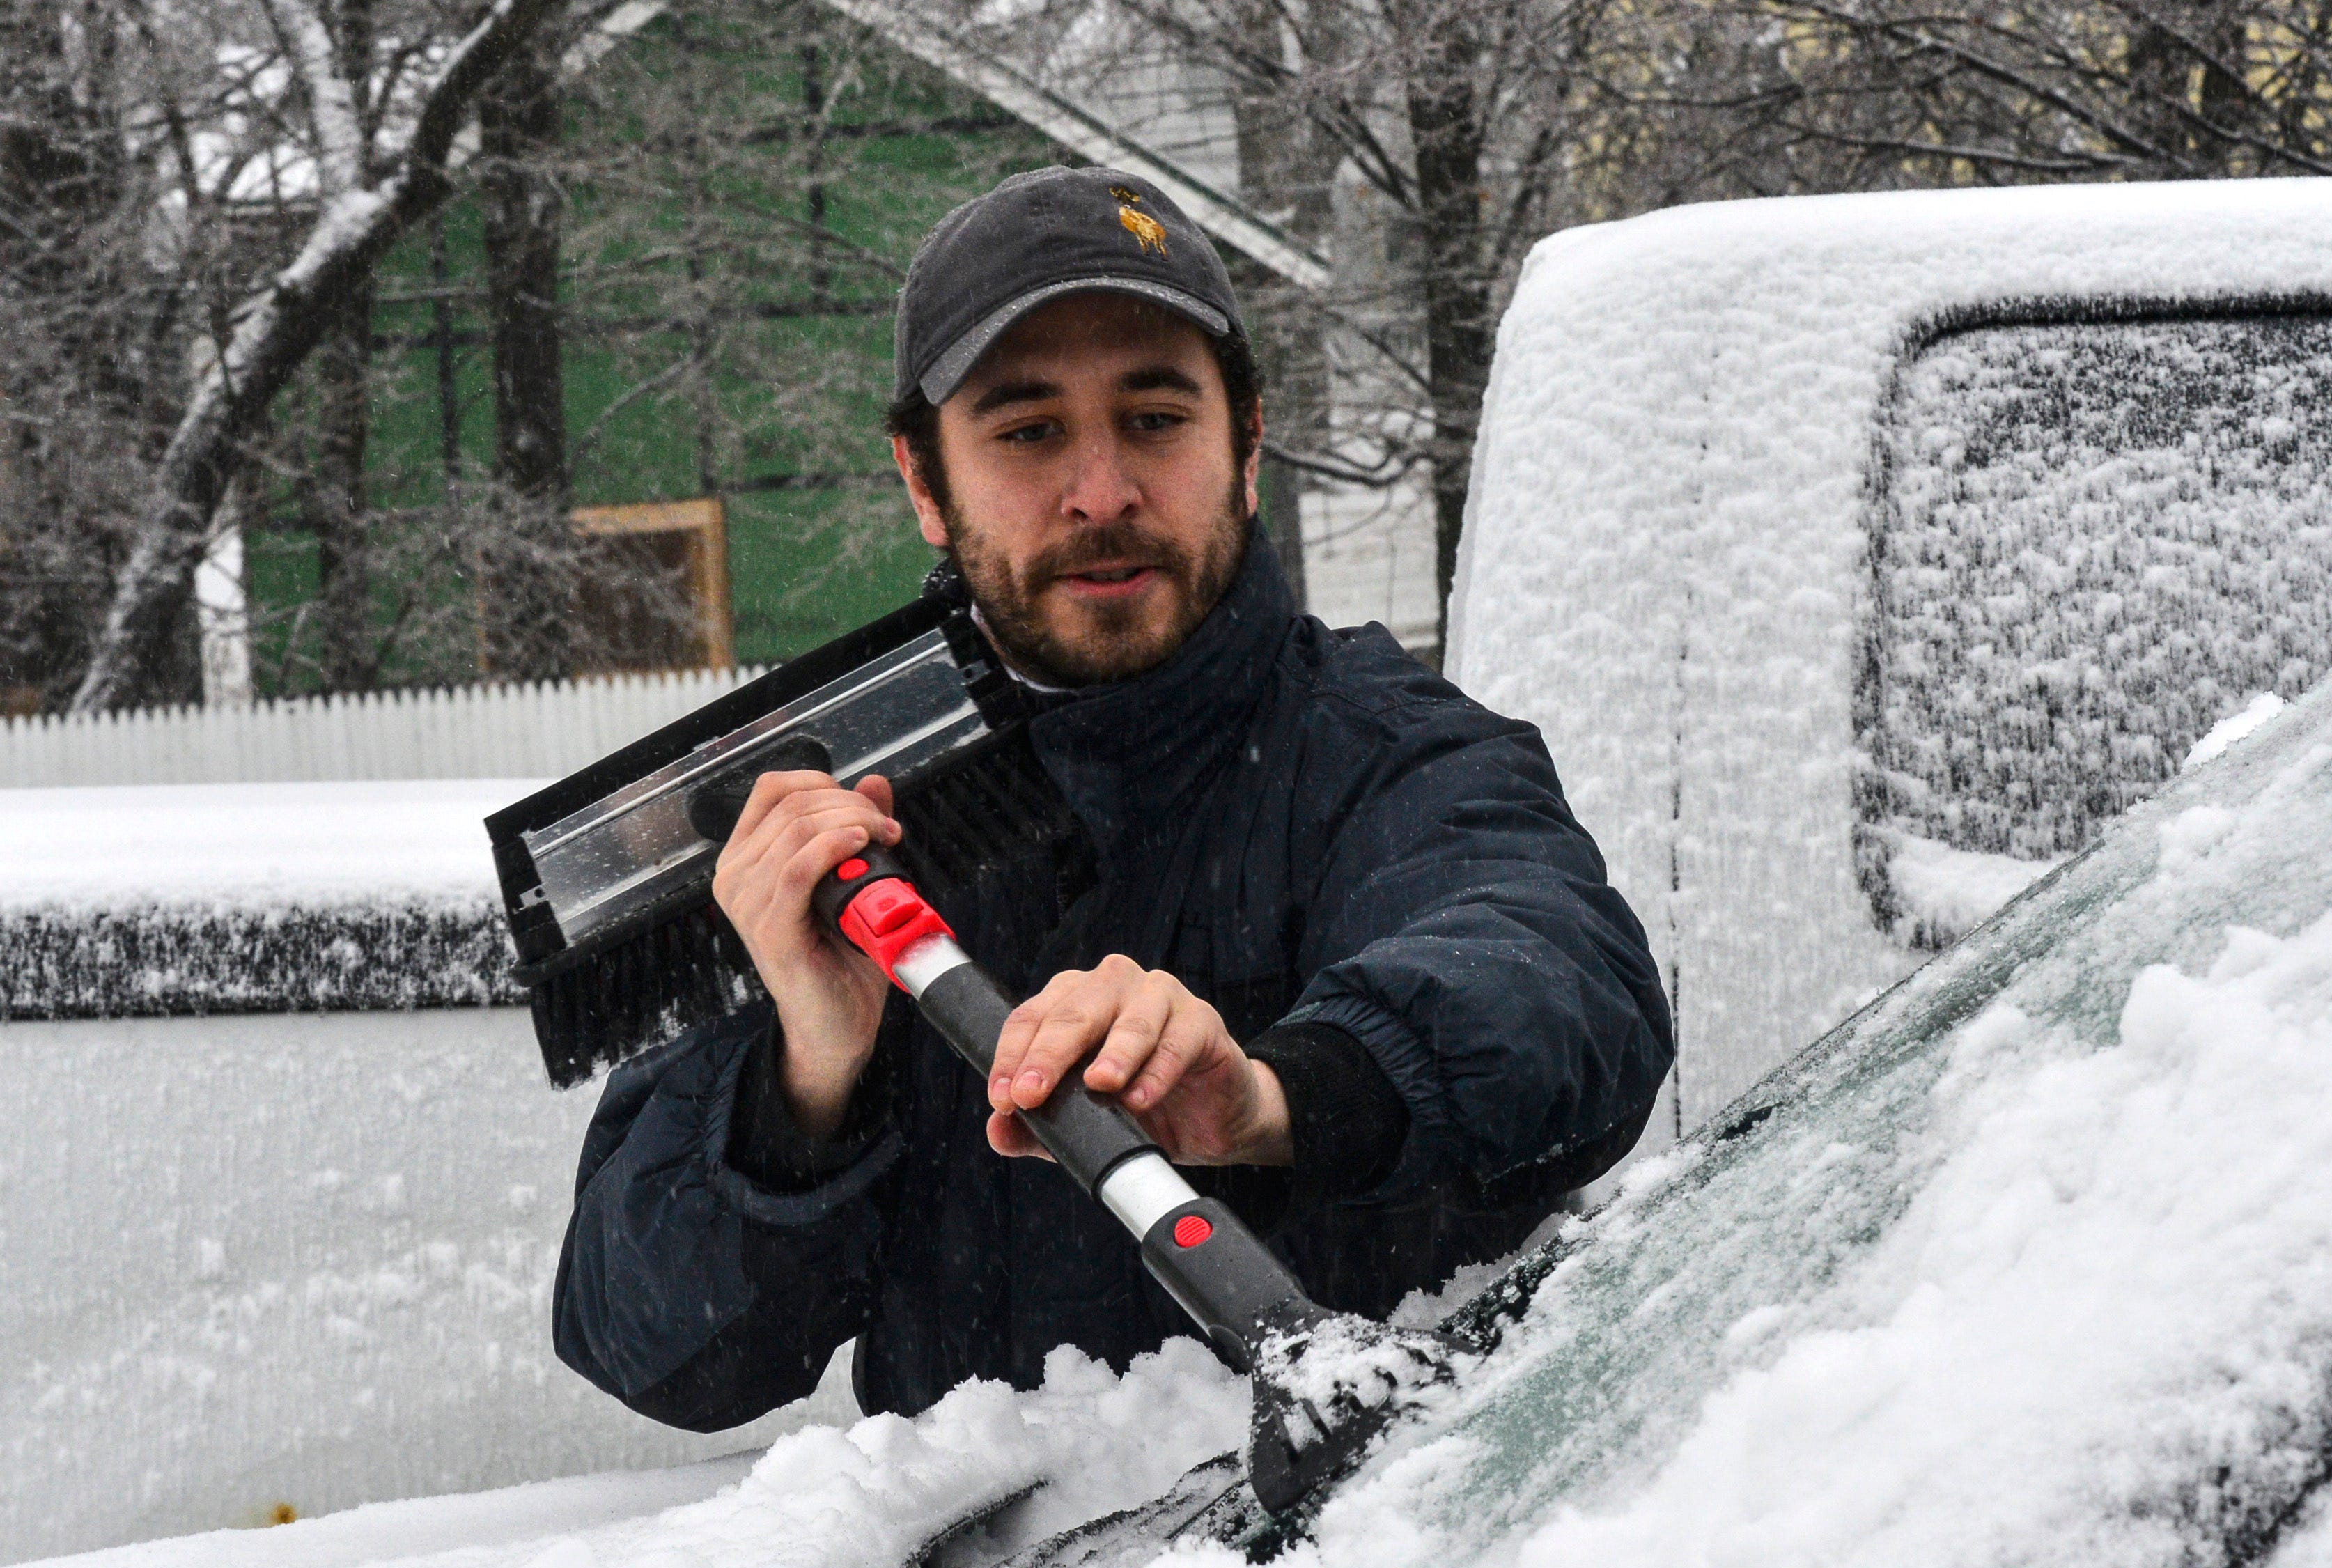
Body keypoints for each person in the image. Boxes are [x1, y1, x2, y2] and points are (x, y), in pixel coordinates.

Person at [552, 166, 1674, 1433]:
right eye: (1027, 432)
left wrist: (1271, 1097)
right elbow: (648, 1354)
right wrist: (812, 1068)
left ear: (1246, 448)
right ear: (927, 483)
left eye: (1154, 418)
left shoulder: (1388, 751)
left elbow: (1557, 979)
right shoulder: (828, 834)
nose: (1101, 492)